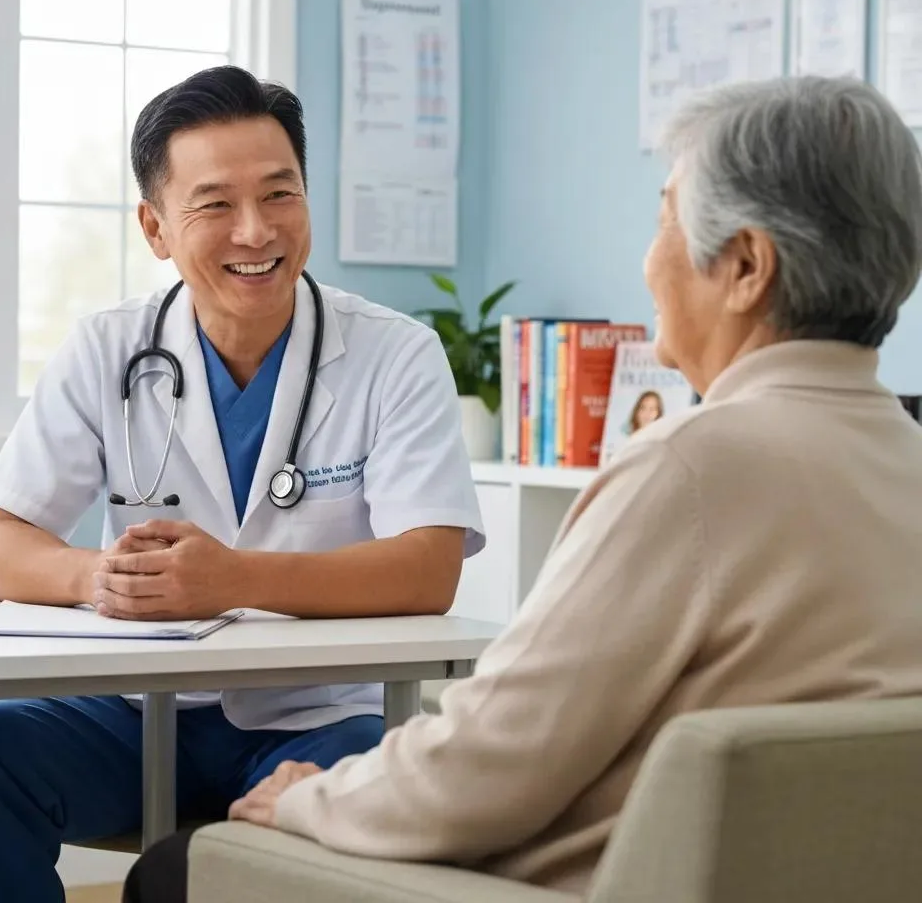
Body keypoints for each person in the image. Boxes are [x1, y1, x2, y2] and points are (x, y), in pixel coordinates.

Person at [124, 74, 922, 901]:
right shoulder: (905, 461)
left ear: (747, 267)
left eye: (664, 224)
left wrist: (308, 801)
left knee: (177, 871)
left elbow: (489, 764)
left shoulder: (688, 468)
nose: (651, 262)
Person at [0, 65, 485, 903]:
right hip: (136, 714)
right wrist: (100, 577)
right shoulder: (108, 349)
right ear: (155, 227)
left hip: (323, 719)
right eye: (215, 205)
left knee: (354, 793)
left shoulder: (393, 354)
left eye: (280, 194)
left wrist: (231, 580)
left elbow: (428, 567)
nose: (256, 231)